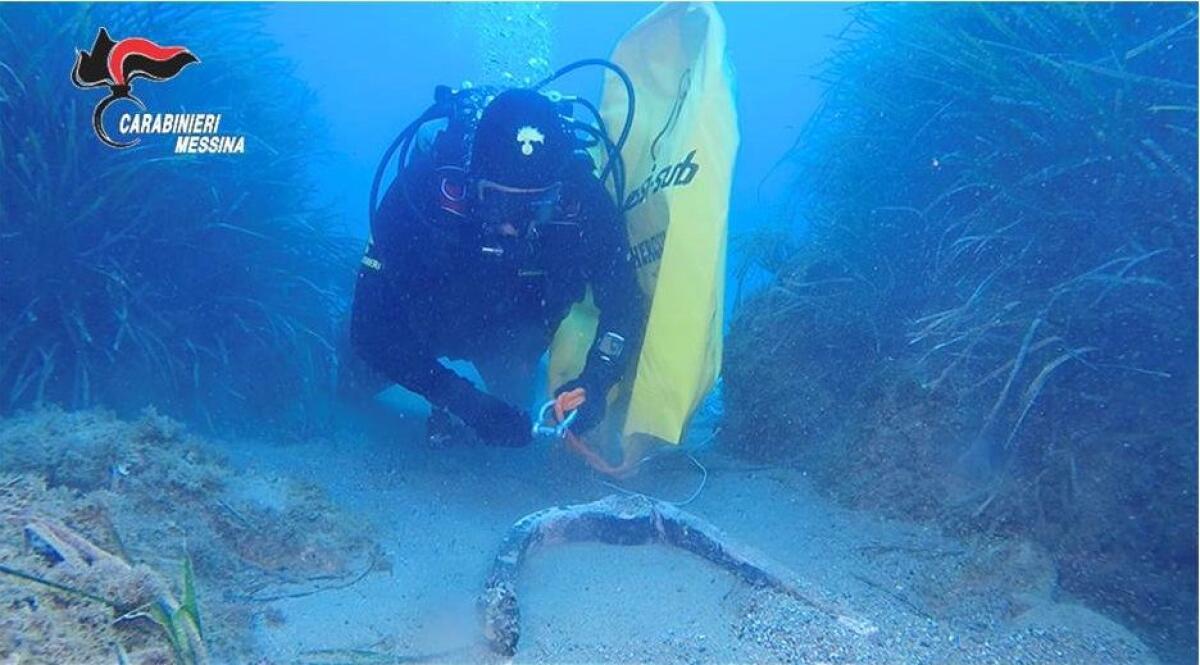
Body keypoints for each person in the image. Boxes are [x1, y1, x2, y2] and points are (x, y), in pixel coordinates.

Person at [350, 88, 643, 447]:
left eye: (537, 206)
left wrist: (597, 381)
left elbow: (624, 303)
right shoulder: (424, 193)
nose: (514, 227)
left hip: (507, 340)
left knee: (514, 412)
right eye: (500, 204)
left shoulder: (581, 200)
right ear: (471, 184)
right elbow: (369, 330)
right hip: (420, 329)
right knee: (346, 385)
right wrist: (460, 399)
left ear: (559, 191)